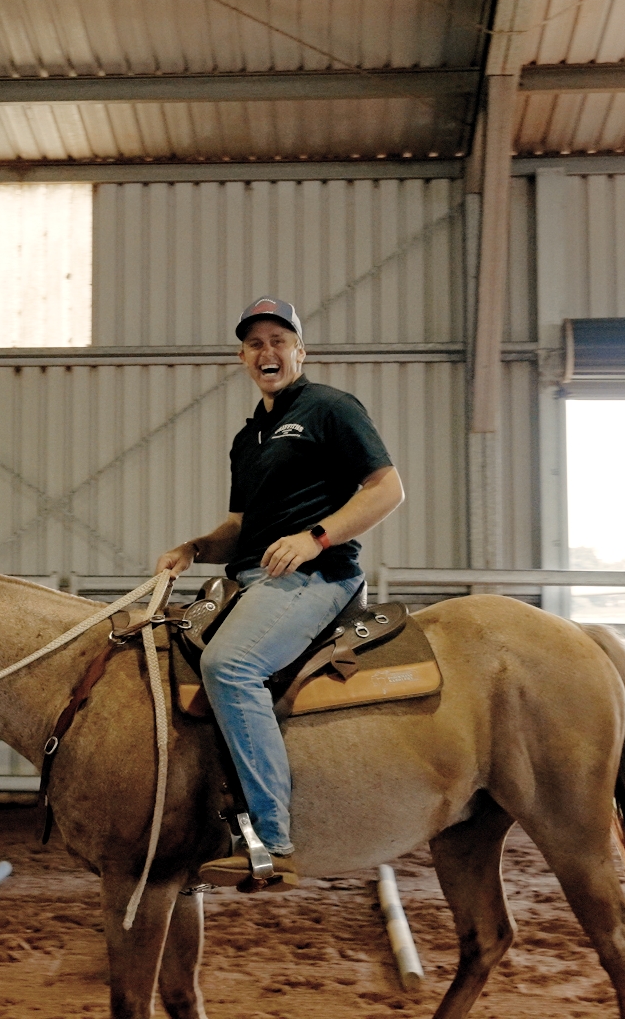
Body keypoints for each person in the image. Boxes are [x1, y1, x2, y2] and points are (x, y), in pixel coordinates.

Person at [154, 296, 404, 891]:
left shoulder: (331, 409)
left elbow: (387, 488)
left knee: (231, 665)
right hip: (253, 579)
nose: (267, 352)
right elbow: (242, 527)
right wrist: (193, 547)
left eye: (278, 341)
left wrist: (316, 538)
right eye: (255, 343)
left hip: (317, 576)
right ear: (242, 357)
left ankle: (273, 839)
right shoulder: (248, 438)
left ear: (300, 351)